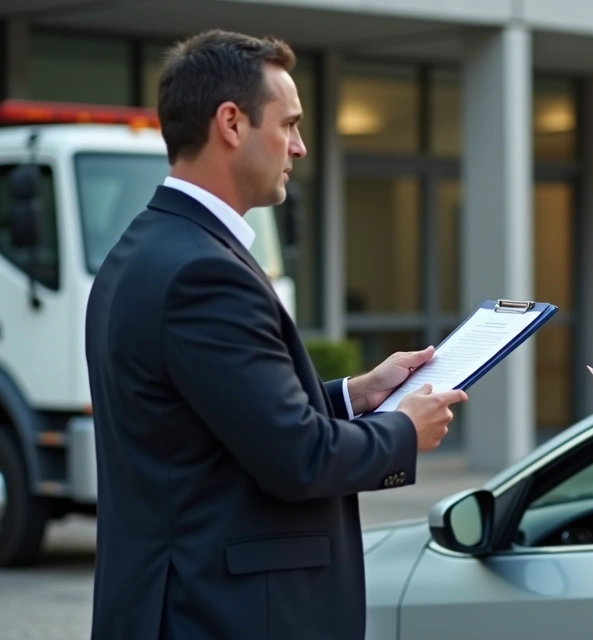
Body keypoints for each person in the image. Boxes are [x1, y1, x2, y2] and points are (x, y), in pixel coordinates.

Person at [83, 29, 467, 640]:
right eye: (288, 125)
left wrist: (354, 395)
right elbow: (298, 458)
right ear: (231, 123)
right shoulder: (202, 272)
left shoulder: (144, 250)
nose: (300, 147)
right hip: (224, 614)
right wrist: (402, 429)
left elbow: (222, 424)